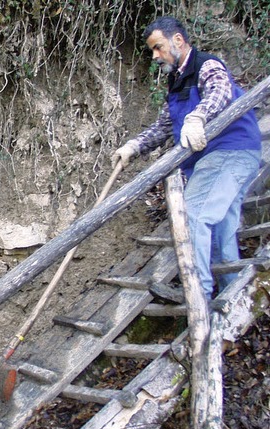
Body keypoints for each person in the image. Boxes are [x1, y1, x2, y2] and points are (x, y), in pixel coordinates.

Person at [112, 16, 261, 300]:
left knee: (192, 213)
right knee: (220, 227)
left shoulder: (206, 65)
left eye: (158, 47)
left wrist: (198, 116)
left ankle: (199, 294)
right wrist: (134, 146)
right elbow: (164, 126)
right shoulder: (176, 81)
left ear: (177, 40)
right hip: (213, 160)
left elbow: (220, 91)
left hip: (229, 152)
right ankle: (232, 293)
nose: (155, 56)